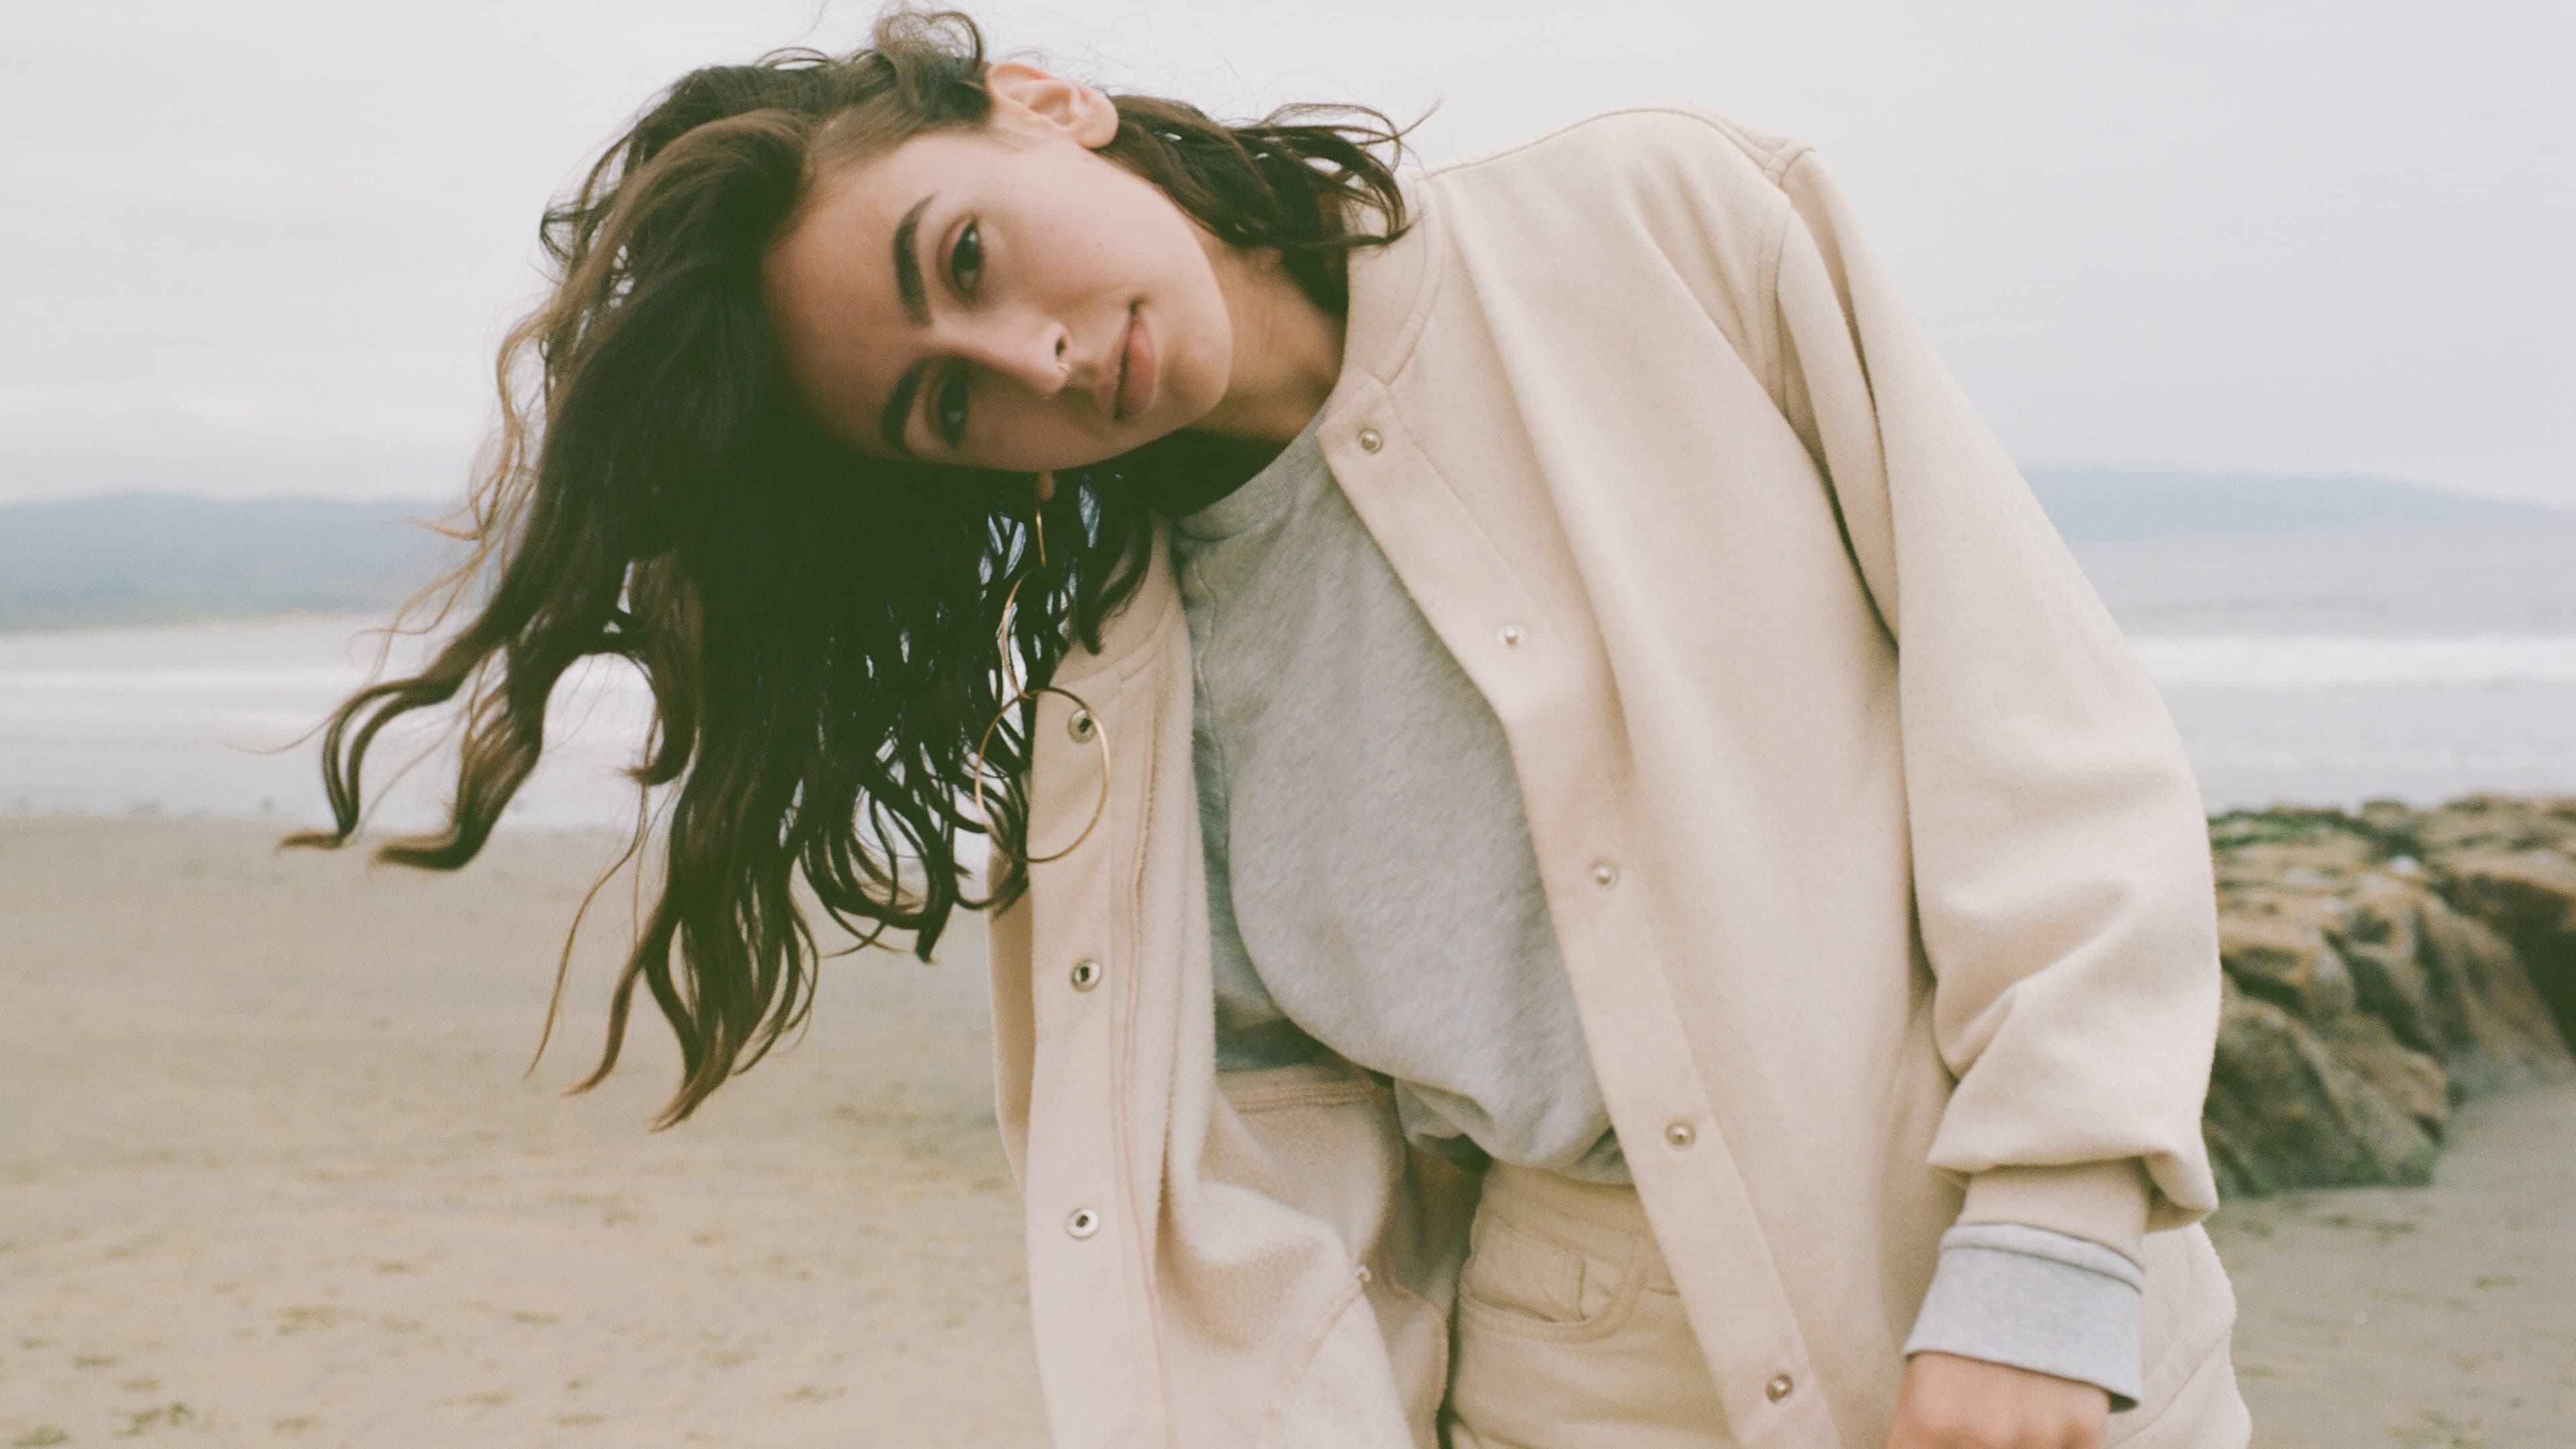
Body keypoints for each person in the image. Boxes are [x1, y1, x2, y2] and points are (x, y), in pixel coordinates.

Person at [298, 9, 2247, 1446]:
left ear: (1040, 105)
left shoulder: (1667, 222)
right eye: (949, 409)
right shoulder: (1116, 706)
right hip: (1573, 1377)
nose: (1034, 361)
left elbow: (2036, 724)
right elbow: (1283, 1182)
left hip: (2026, 1311)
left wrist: (2052, 1232)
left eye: (963, 259)